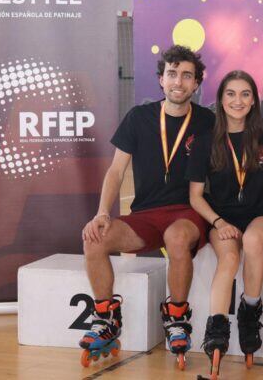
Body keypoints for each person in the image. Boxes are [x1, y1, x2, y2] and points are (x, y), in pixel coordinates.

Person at [79, 45, 215, 369]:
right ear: (160, 79)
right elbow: (116, 170)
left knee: (178, 238)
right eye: (172, 74)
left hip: (188, 211)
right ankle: (106, 317)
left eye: (186, 75)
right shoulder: (139, 117)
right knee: (94, 238)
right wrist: (101, 213)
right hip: (145, 215)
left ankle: (178, 317)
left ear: (197, 83)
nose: (178, 82)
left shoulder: (208, 121)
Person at [186, 70, 263, 376]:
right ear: (221, 99)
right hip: (221, 215)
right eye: (231, 94)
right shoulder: (205, 140)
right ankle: (216, 328)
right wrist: (218, 222)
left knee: (252, 242)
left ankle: (249, 311)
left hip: (262, 212)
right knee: (227, 257)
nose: (237, 101)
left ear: (254, 100)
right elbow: (195, 196)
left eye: (244, 94)